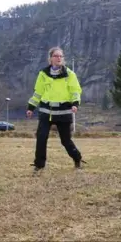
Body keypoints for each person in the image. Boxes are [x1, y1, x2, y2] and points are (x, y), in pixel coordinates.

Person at [27, 46, 85, 174]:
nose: (59, 58)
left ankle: (77, 159)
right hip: (46, 111)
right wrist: (31, 107)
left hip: (63, 112)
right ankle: (39, 165)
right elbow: (38, 93)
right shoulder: (43, 74)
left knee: (65, 141)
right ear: (50, 59)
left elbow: (75, 91)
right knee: (41, 138)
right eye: (56, 56)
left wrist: (75, 104)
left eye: (61, 56)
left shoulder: (70, 74)